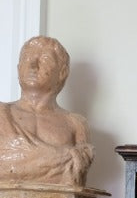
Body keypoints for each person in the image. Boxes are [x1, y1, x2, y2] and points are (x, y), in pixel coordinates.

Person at [0, 36, 94, 188]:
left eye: (45, 59)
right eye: (27, 58)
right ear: (18, 69)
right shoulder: (2, 114)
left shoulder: (76, 124)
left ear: (62, 72)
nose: (32, 65)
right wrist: (63, 157)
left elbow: (78, 172)